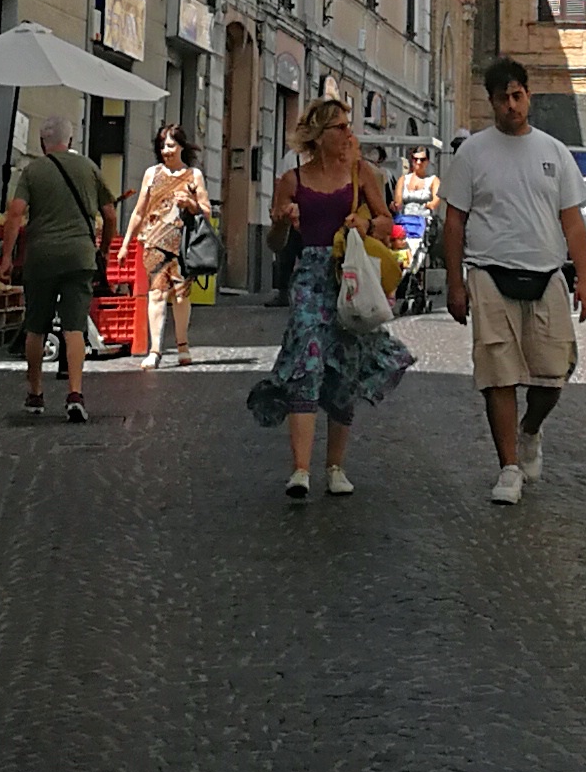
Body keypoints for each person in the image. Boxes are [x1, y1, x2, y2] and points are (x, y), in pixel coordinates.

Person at [441, 61, 586, 504]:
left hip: (546, 273)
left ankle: (530, 430)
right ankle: (508, 467)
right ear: (491, 102)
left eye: (517, 96)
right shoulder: (473, 154)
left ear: (528, 95)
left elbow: (572, 221)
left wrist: (585, 279)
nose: (511, 105)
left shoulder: (554, 152)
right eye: (502, 98)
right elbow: (454, 221)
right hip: (489, 272)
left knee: (553, 374)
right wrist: (455, 283)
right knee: (498, 374)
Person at [244, 97, 408, 500]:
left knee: (343, 369)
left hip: (347, 276)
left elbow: (387, 220)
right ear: (319, 136)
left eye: (348, 126)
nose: (349, 134)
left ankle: (335, 467)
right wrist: (282, 223)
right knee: (307, 360)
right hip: (309, 278)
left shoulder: (360, 172)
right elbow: (276, 244)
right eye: (340, 127)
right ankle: (300, 470)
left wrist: (366, 223)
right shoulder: (292, 180)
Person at [0, 119, 111, 424]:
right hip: (79, 257)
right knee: (74, 327)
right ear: (70, 140)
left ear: (41, 141)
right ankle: (75, 394)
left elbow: (16, 213)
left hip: (41, 258)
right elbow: (110, 214)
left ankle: (35, 393)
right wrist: (103, 249)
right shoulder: (88, 168)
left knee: (36, 327)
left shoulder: (33, 171)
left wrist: (6, 257)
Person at [123, 128, 210, 367]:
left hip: (183, 245)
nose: (166, 151)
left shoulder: (193, 175)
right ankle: (155, 351)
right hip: (154, 244)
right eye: (162, 146)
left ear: (181, 146)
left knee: (181, 296)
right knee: (156, 293)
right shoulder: (151, 174)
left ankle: (183, 346)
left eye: (170, 145)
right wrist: (127, 243)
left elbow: (206, 211)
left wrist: (190, 204)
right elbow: (139, 211)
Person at [393, 139, 444, 311]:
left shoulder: (433, 180)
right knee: (399, 251)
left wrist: (431, 204)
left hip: (422, 222)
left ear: (427, 161)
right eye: (415, 159)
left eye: (422, 159)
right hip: (405, 222)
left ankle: (411, 284)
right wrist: (396, 204)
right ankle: (401, 284)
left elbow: (436, 198)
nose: (418, 163)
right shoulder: (404, 179)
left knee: (418, 253)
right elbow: (398, 199)